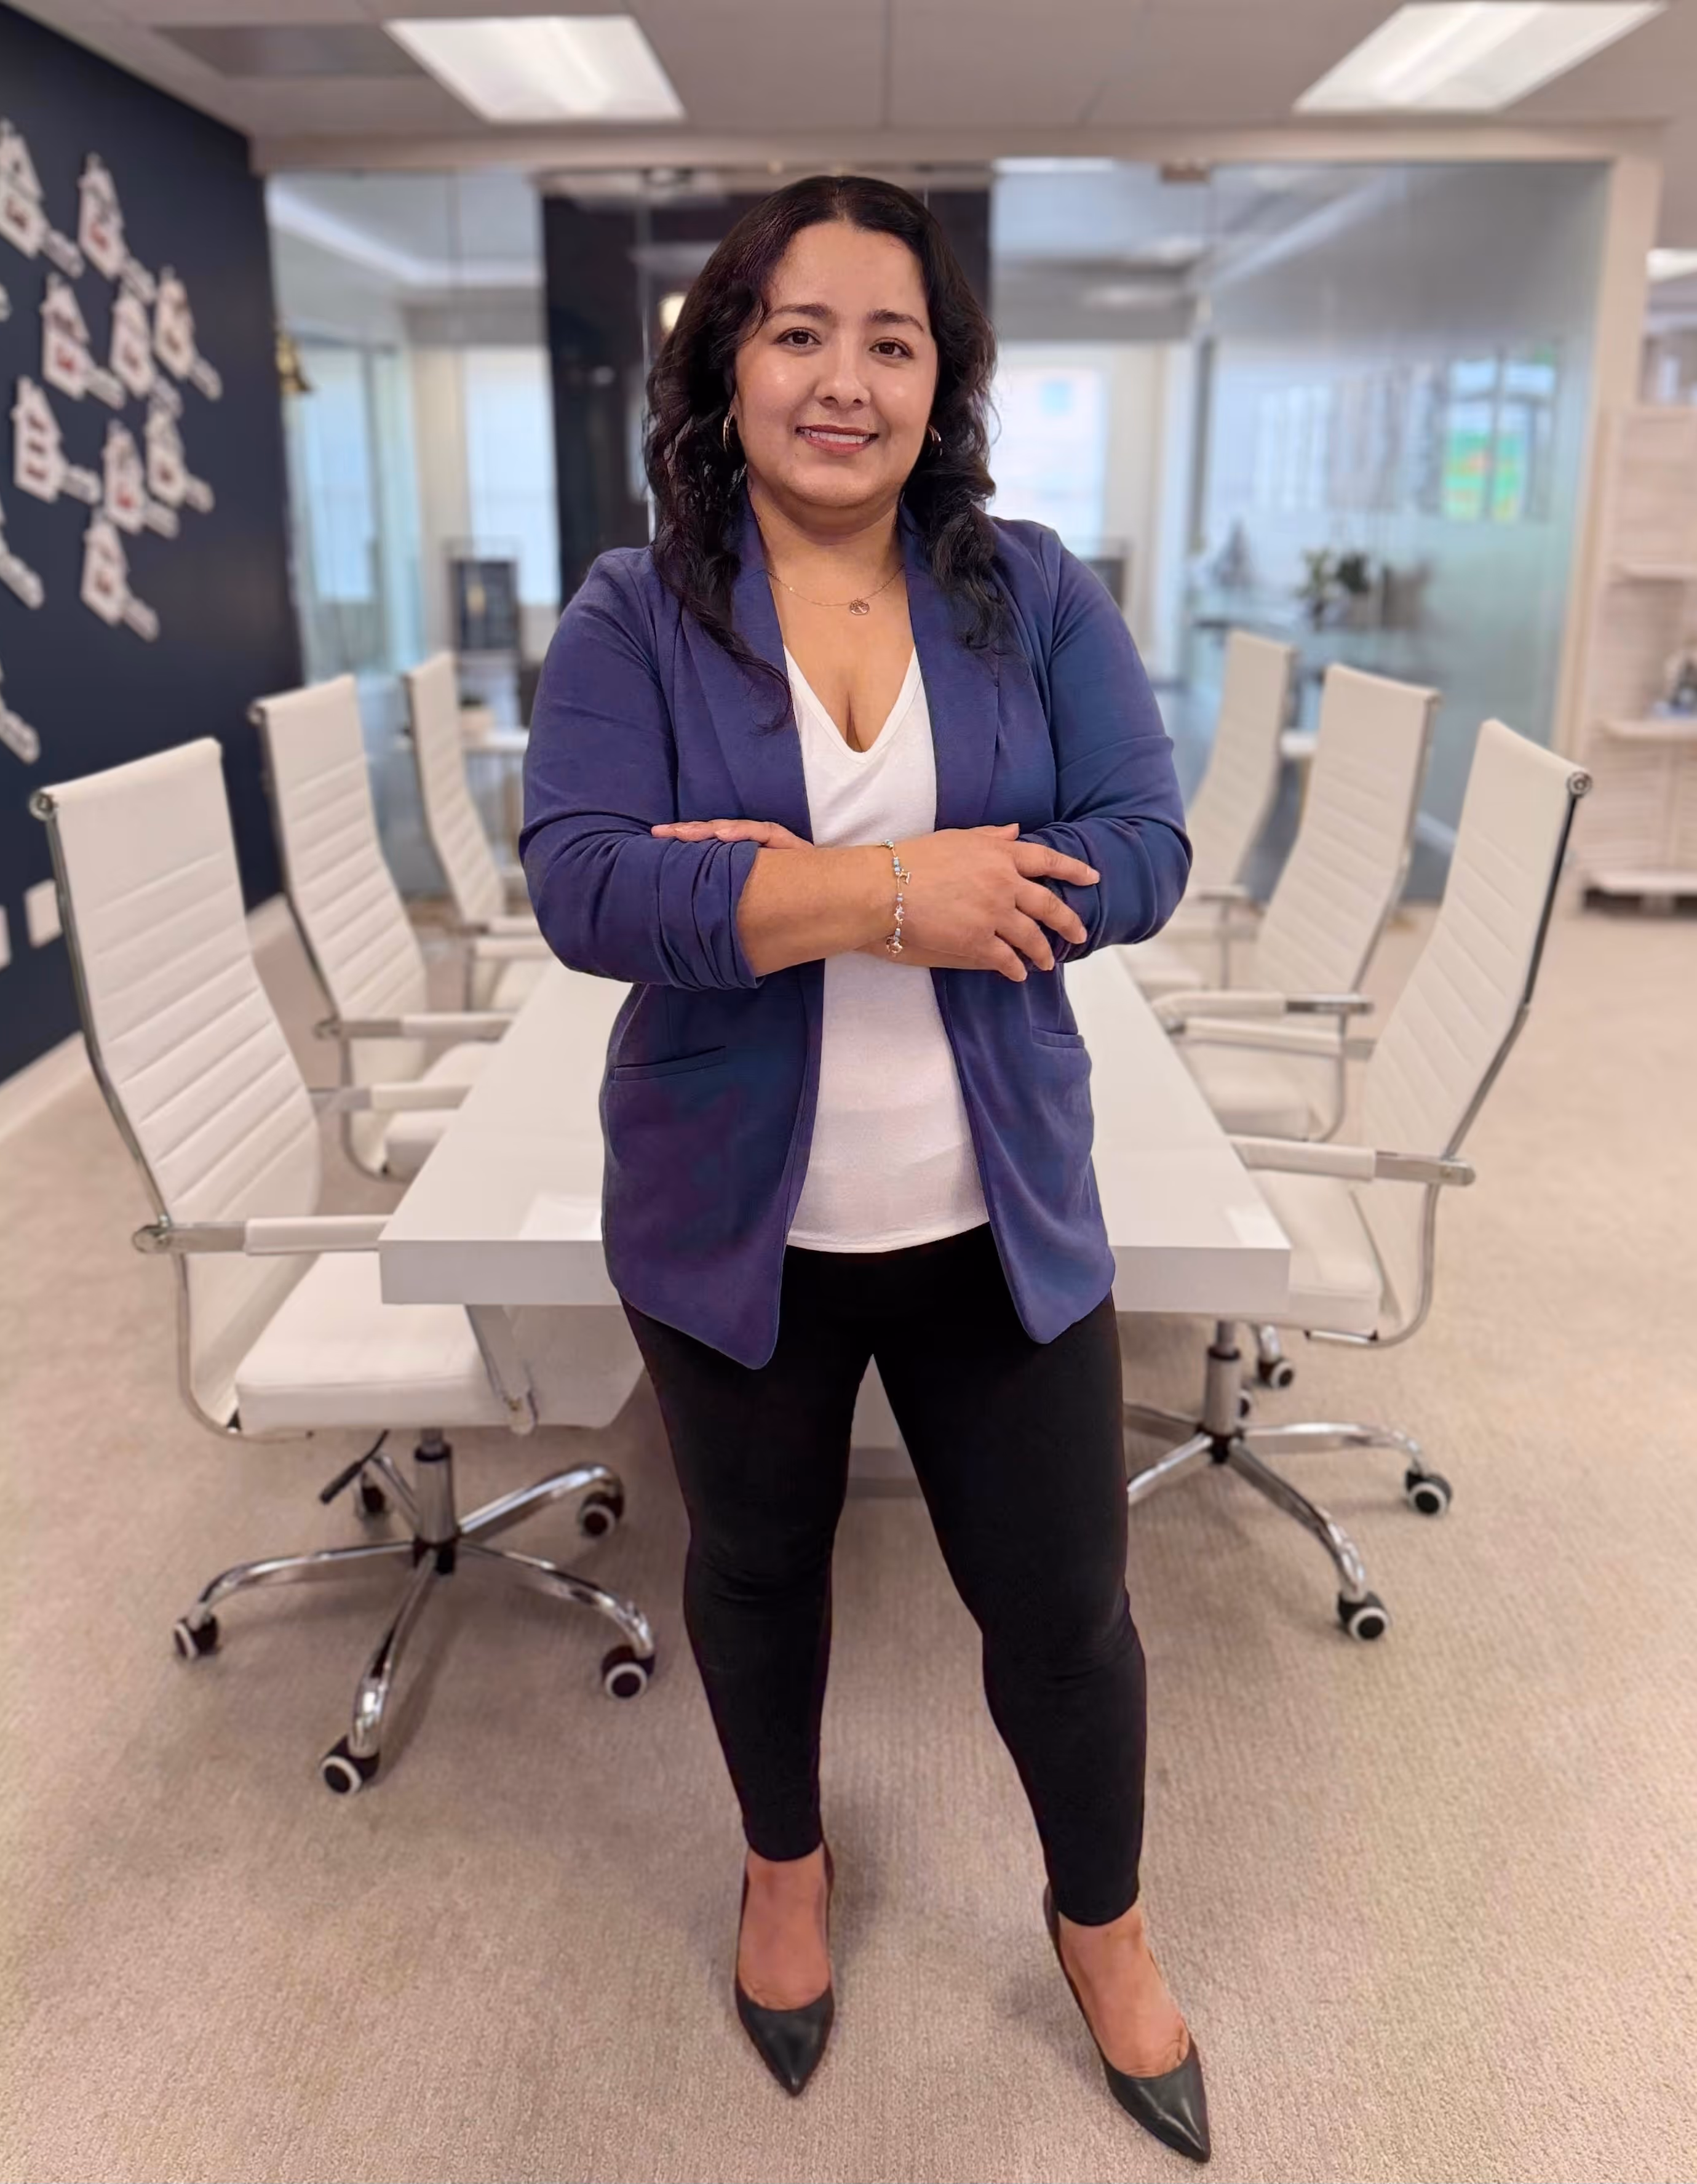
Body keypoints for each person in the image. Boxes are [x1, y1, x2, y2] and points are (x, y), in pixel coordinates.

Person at [522, 174, 1207, 2162]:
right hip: (734, 1228)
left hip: (997, 1217)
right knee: (753, 1571)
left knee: (1067, 1611)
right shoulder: (634, 612)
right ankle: (784, 1868)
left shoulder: (1035, 587)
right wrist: (904, 884)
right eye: (796, 331)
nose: (844, 378)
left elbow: (1141, 849)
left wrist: (764, 884)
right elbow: (584, 882)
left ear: (943, 380)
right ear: (725, 364)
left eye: (890, 340)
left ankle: (1104, 1924)